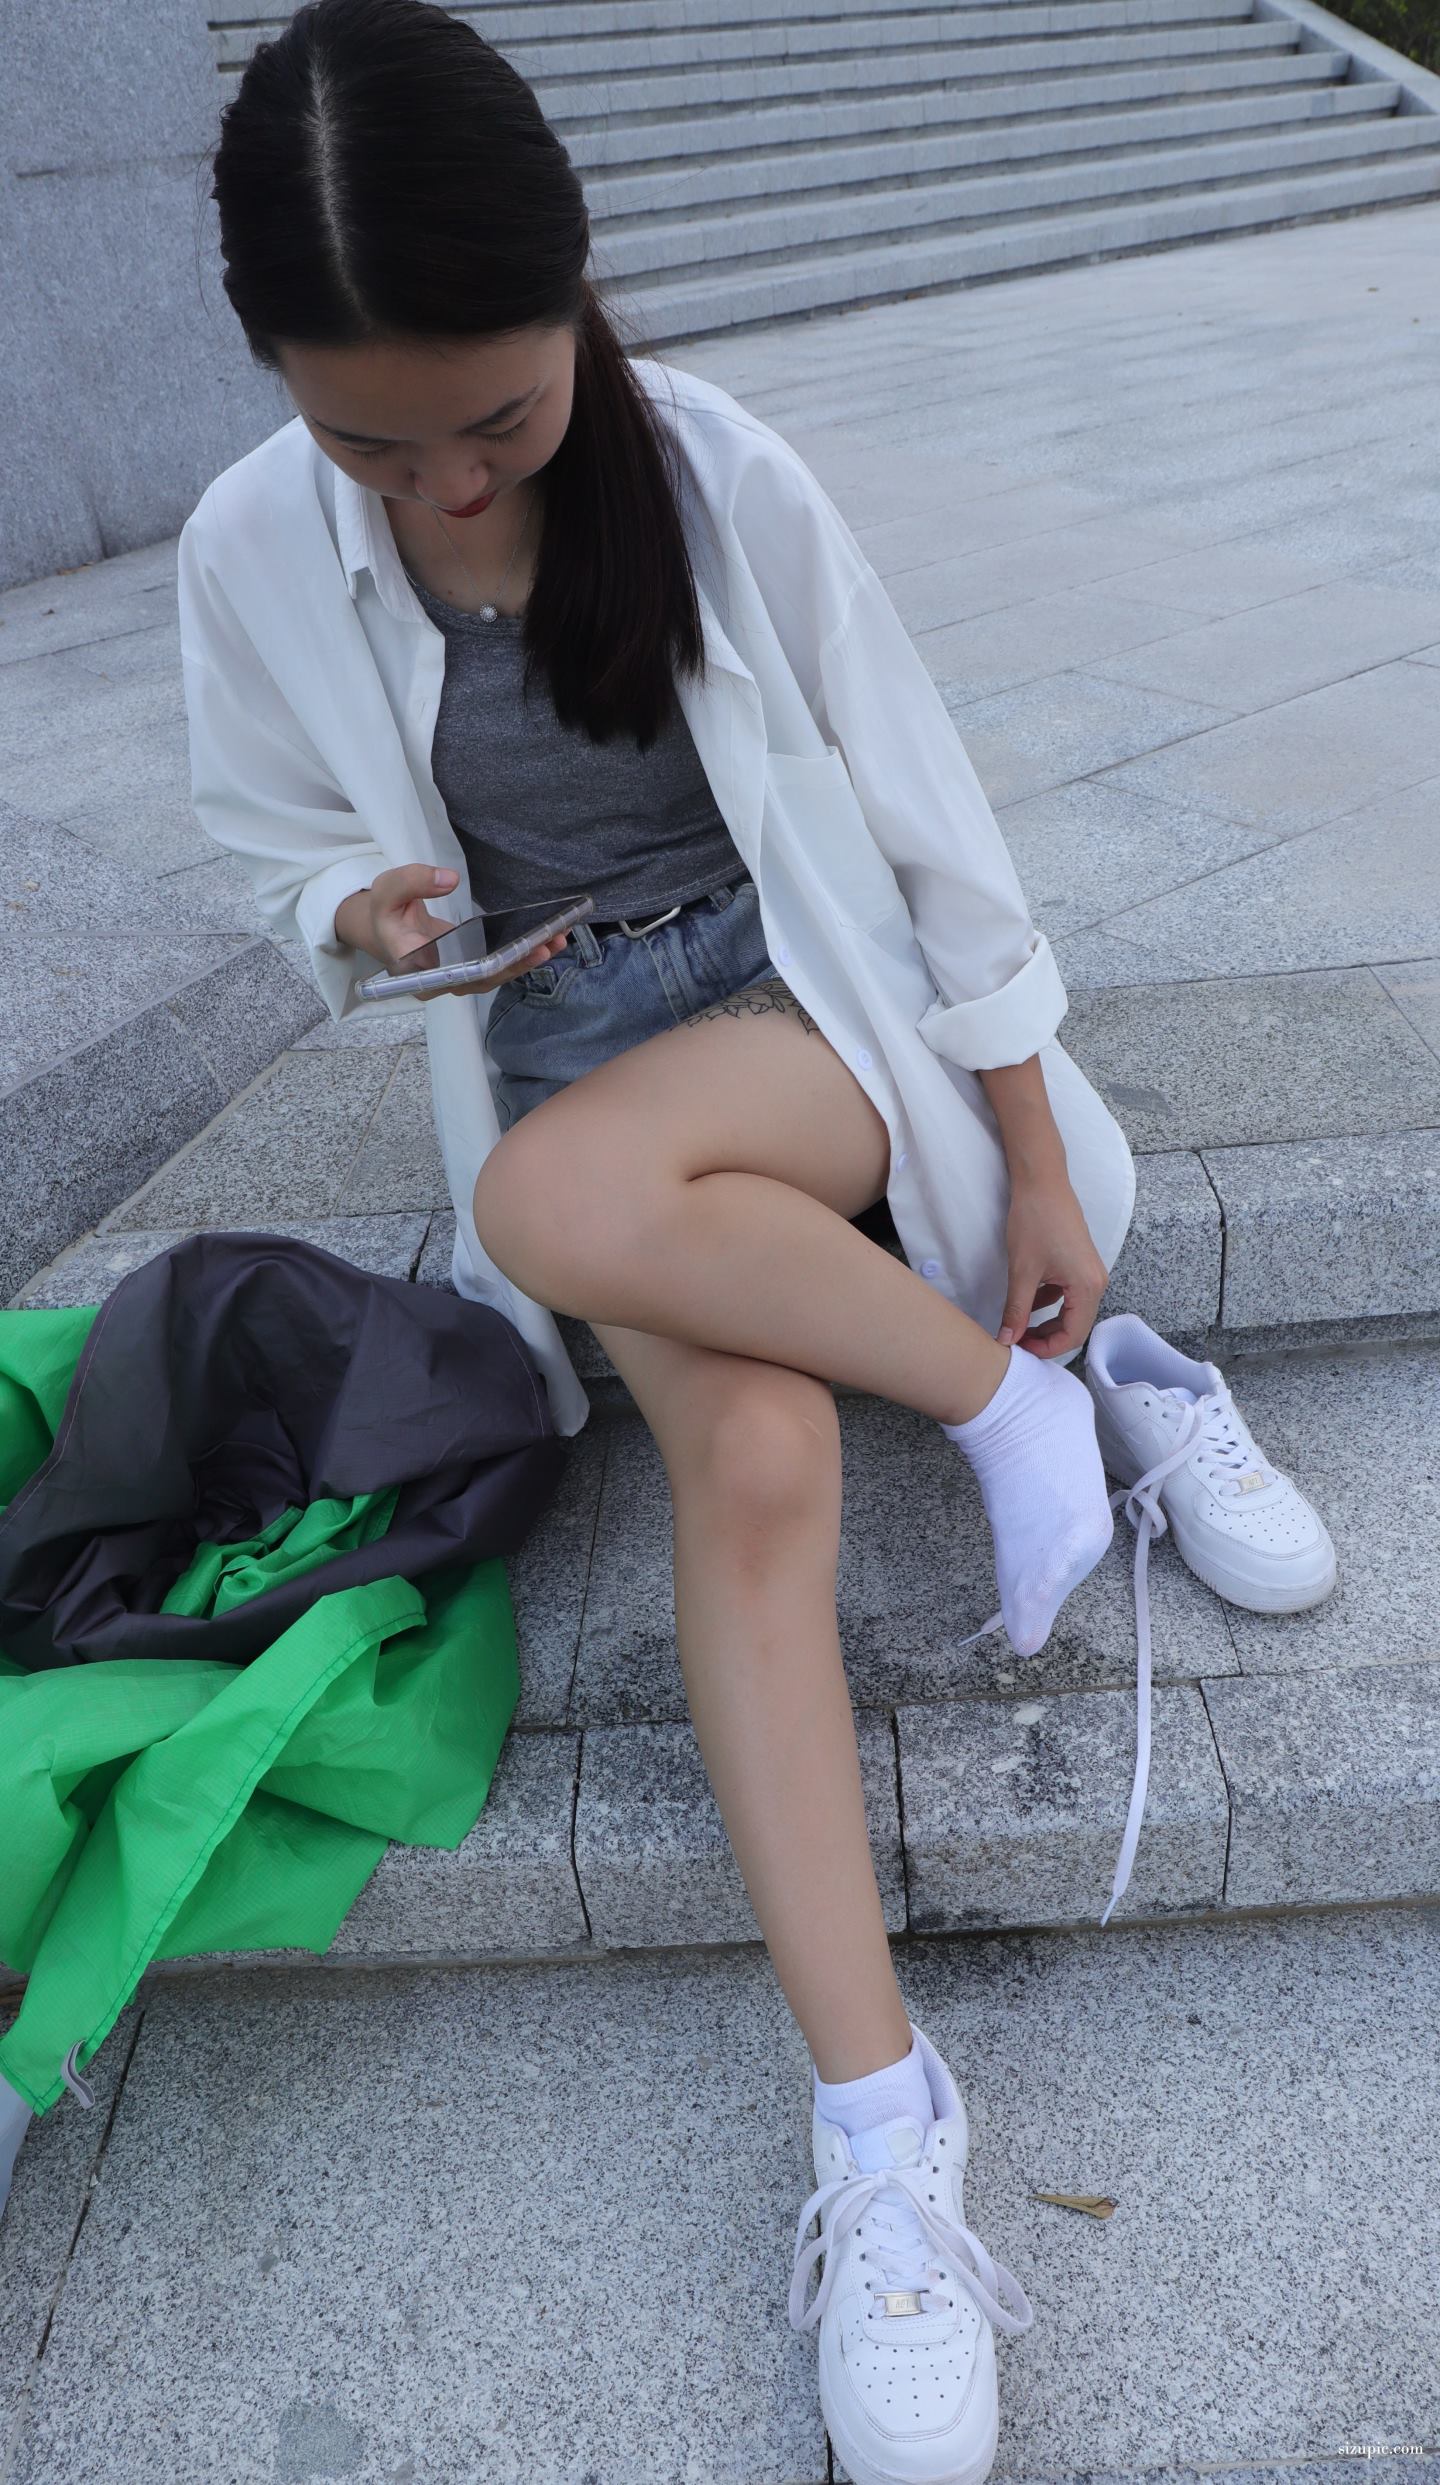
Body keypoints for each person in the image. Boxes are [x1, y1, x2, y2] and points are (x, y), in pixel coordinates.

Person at [174, 1, 1156, 2474]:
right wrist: (356, 912)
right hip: (564, 1037)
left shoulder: (713, 472)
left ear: (575, 300)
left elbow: (927, 826)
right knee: (753, 1461)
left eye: (495, 419)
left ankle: (1018, 1393)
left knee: (553, 1199)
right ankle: (882, 2133)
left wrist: (1033, 1163)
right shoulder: (245, 545)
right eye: (370, 442)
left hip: (799, 1005)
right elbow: (261, 836)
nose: (444, 480)